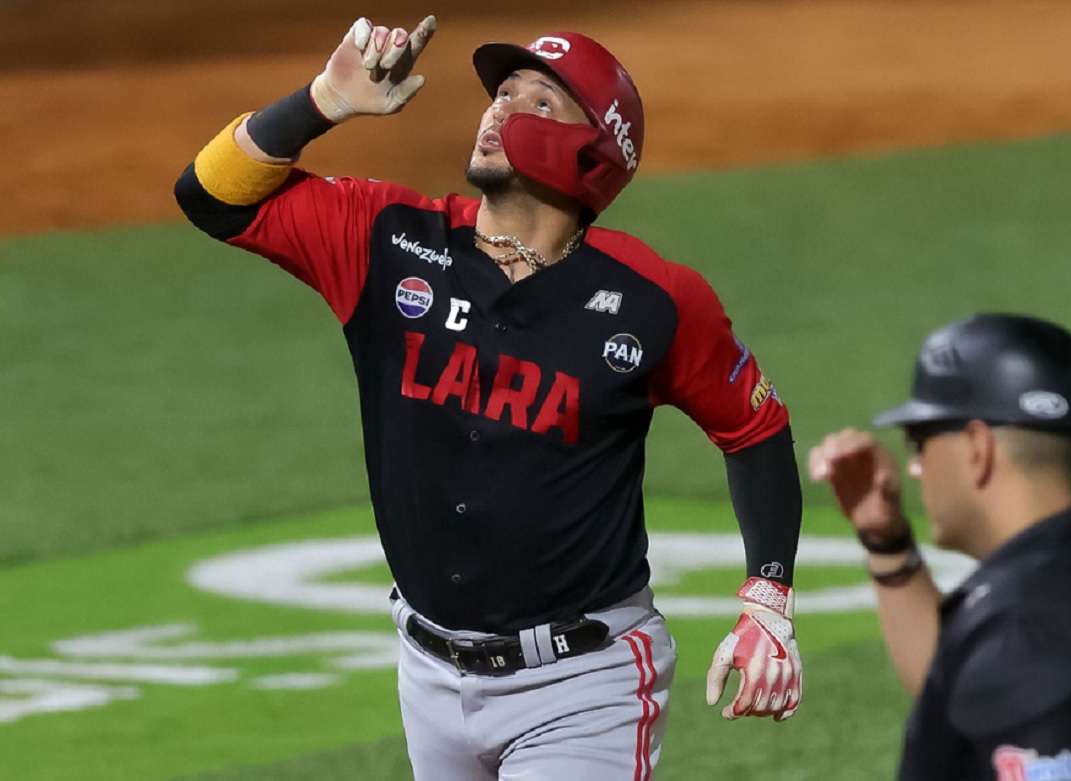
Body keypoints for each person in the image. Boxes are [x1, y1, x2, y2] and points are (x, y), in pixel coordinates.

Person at [174, 15, 804, 780]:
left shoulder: (655, 300)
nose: (500, 108)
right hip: (428, 669)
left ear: (597, 154)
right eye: (501, 92)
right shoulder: (386, 237)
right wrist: (322, 101)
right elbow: (209, 197)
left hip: (587, 682)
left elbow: (754, 427)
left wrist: (767, 594)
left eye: (538, 102)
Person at [807, 312, 1071, 780]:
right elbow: (966, 692)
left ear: (976, 446)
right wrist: (885, 540)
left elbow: (1012, 673)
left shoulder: (1030, 632)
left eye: (919, 441)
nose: (915, 469)